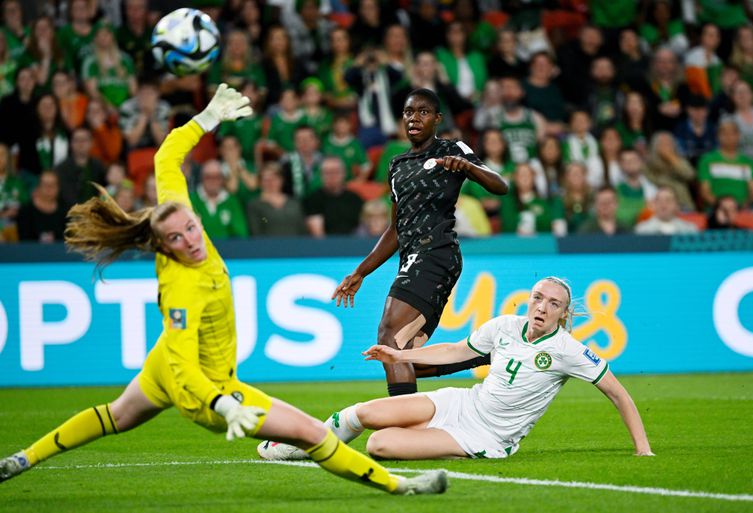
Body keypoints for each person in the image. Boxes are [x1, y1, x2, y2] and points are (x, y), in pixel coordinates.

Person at [0, 84, 447, 497]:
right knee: (311, 432)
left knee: (114, 416)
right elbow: (184, 364)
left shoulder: (172, 214)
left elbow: (164, 159)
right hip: (207, 391)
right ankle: (401, 487)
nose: (192, 240)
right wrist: (221, 404)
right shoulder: (181, 288)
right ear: (163, 246)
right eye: (178, 239)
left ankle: (23, 459)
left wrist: (208, 117)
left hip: (163, 368)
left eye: (192, 228)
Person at [259, 277, 654, 461]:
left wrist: (643, 449)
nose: (541, 307)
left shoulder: (570, 351)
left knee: (380, 444)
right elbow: (454, 350)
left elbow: (618, 393)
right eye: (537, 298)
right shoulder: (504, 326)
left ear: (564, 313)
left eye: (553, 304)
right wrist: (401, 357)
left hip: (488, 436)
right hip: (461, 404)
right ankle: (300, 447)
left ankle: (448, 446)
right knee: (364, 413)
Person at [331, 88, 508, 397]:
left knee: (389, 337)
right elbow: (395, 229)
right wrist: (360, 272)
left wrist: (467, 166)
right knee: (403, 355)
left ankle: (405, 426)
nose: (414, 118)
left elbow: (500, 186)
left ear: (437, 119)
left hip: (436, 252)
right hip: (413, 256)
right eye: (408, 112)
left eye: (423, 112)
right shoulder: (396, 165)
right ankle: (485, 357)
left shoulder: (452, 149)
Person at [635, 186, 699, 235]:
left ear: (676, 205)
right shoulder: (642, 230)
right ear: (653, 205)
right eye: (659, 200)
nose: (663, 205)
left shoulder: (690, 230)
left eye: (668, 200)